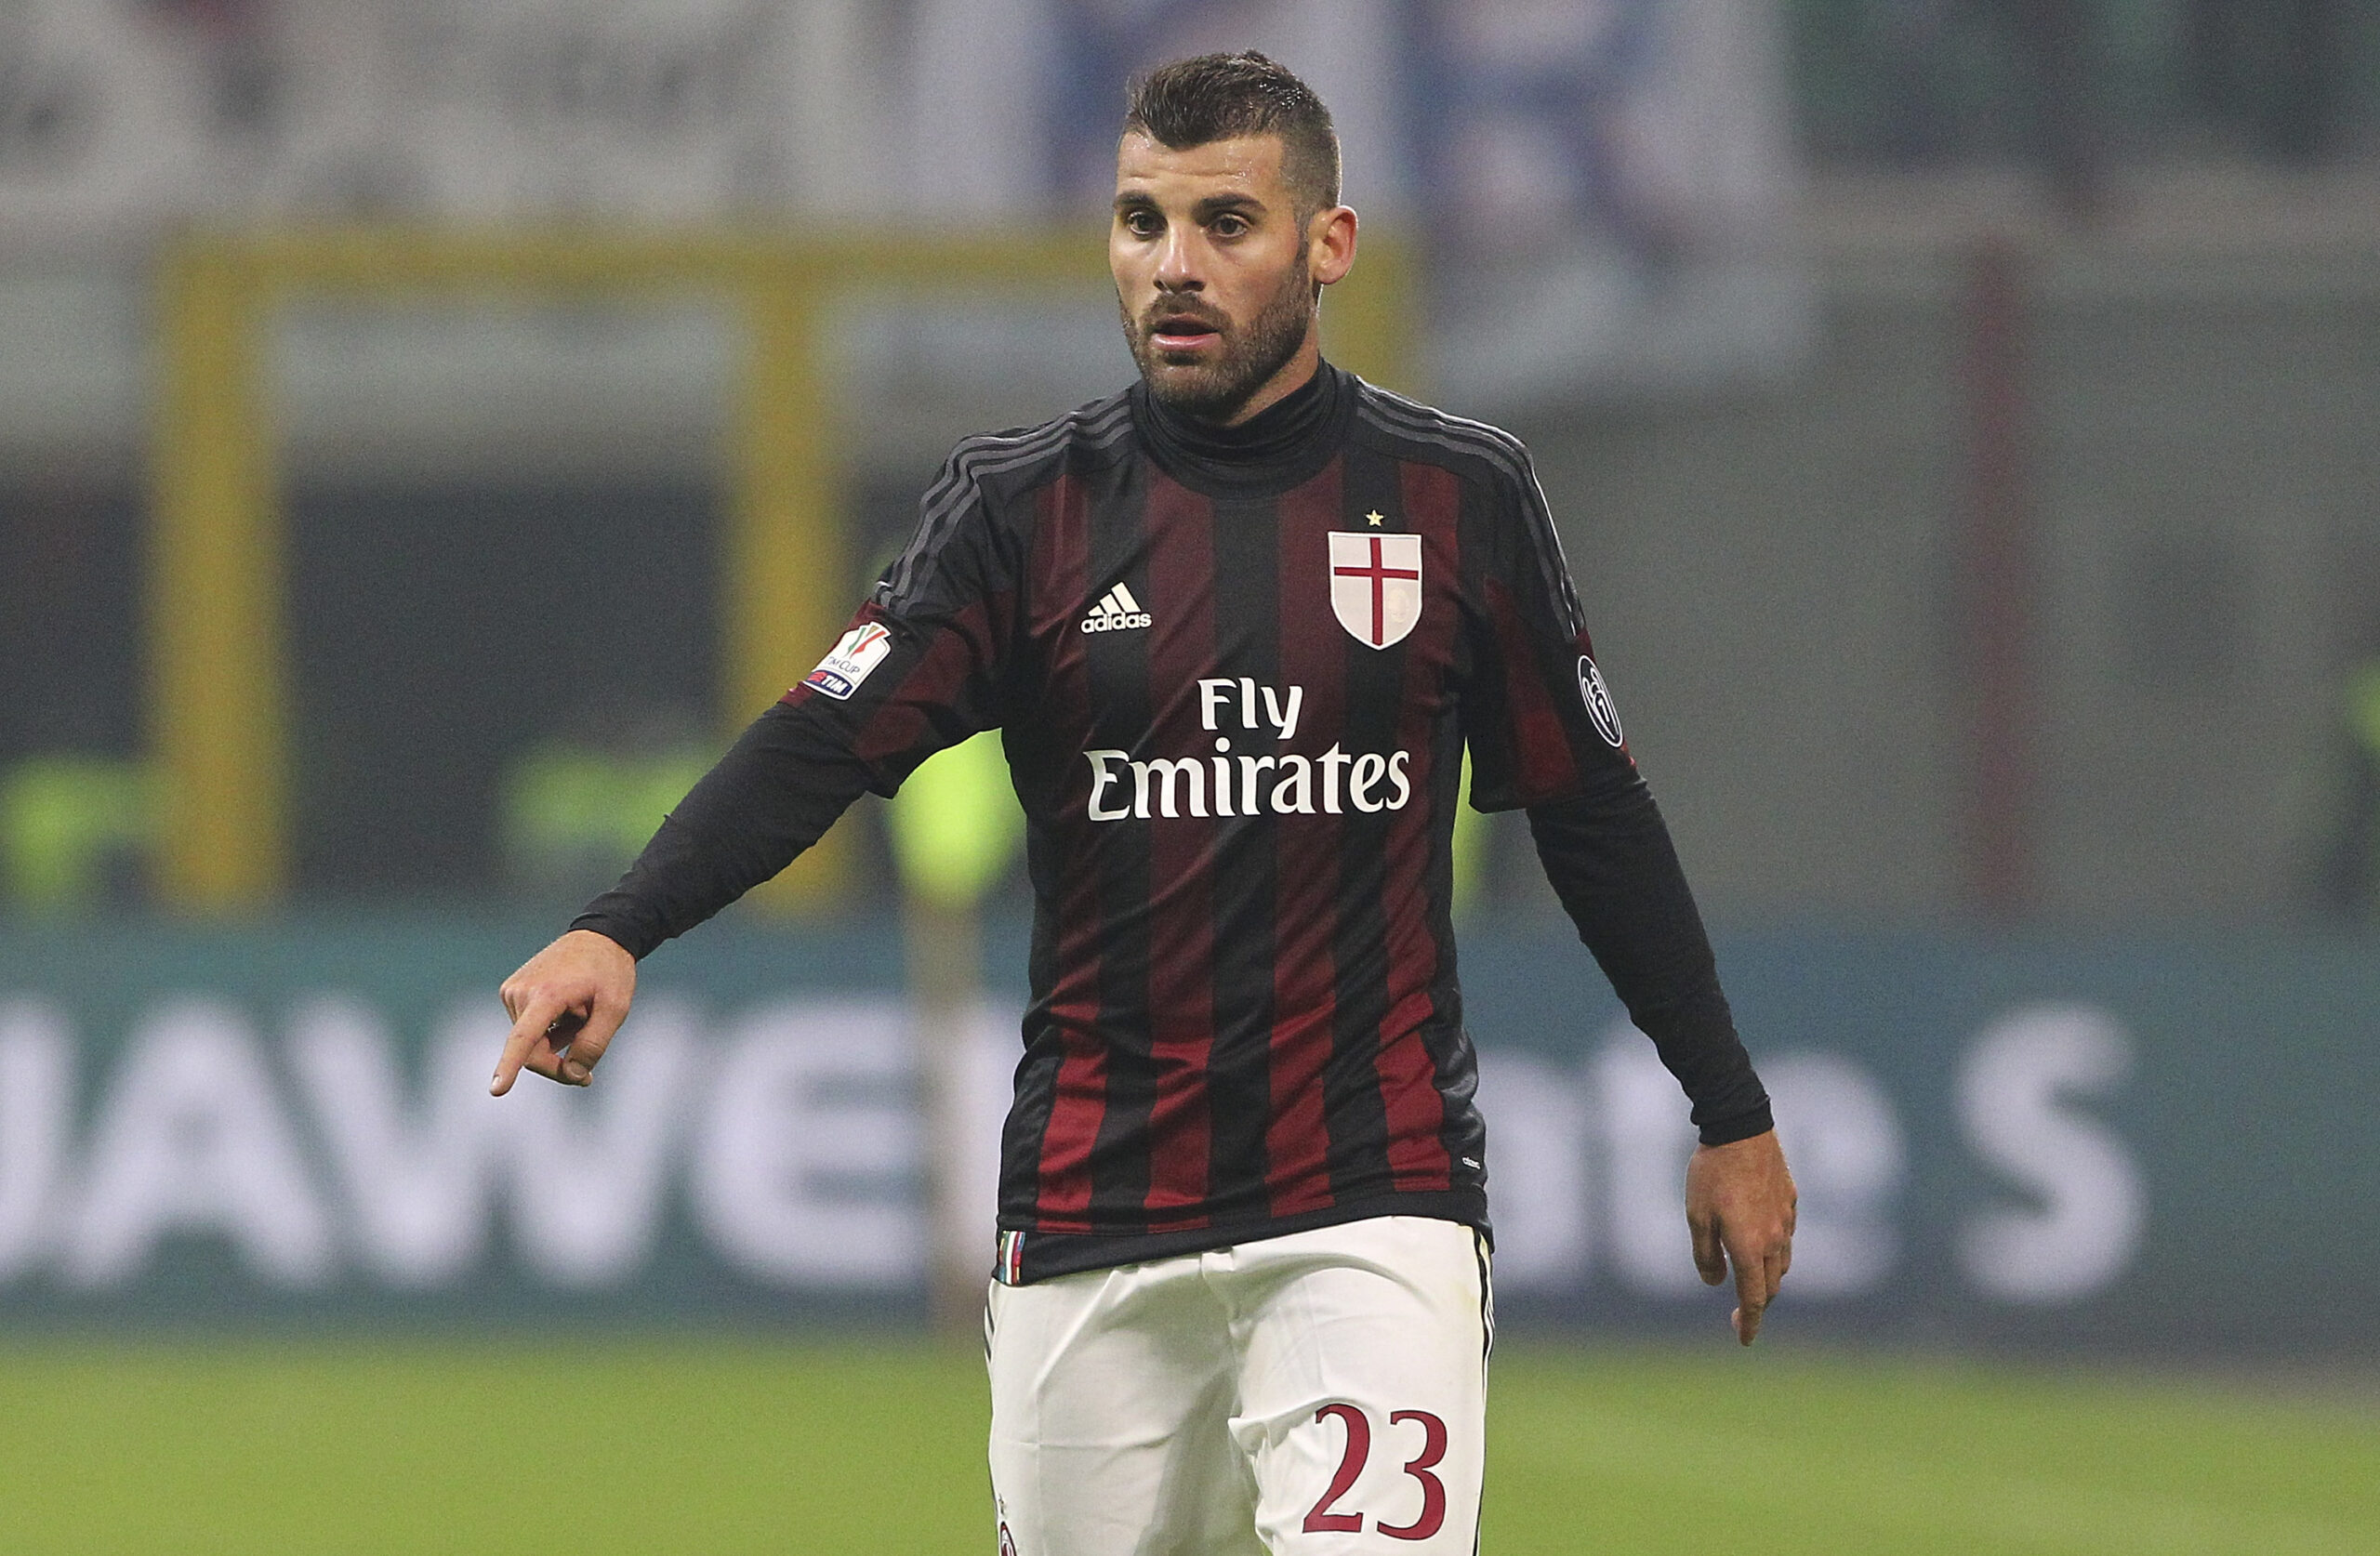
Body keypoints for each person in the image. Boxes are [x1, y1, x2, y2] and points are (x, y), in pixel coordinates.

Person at [492, 51, 1795, 1556]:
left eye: (1226, 223)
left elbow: (1593, 814)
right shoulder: (1020, 509)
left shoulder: (1460, 497)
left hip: (1370, 1201)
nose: (1174, 264)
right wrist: (621, 925)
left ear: (1328, 244)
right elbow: (824, 738)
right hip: (1093, 1210)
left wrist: (1730, 1110)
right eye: (1140, 221)